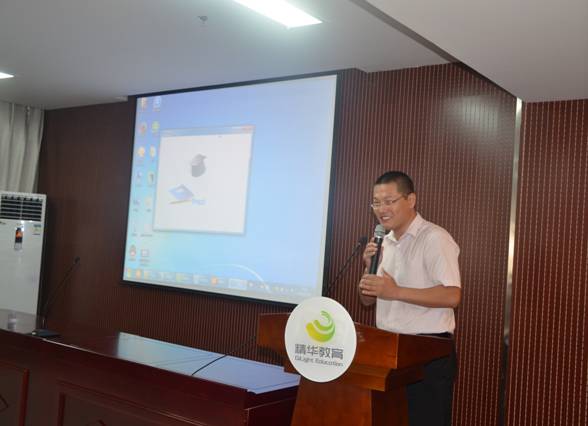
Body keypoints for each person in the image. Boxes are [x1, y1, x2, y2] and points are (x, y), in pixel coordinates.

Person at [358, 171, 461, 426]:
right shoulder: (383, 242)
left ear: (411, 199)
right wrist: (369, 270)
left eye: (389, 201)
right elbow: (367, 301)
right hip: (388, 351)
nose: (381, 209)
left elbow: (452, 295)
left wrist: (395, 291)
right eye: (376, 202)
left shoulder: (434, 238)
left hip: (426, 354)